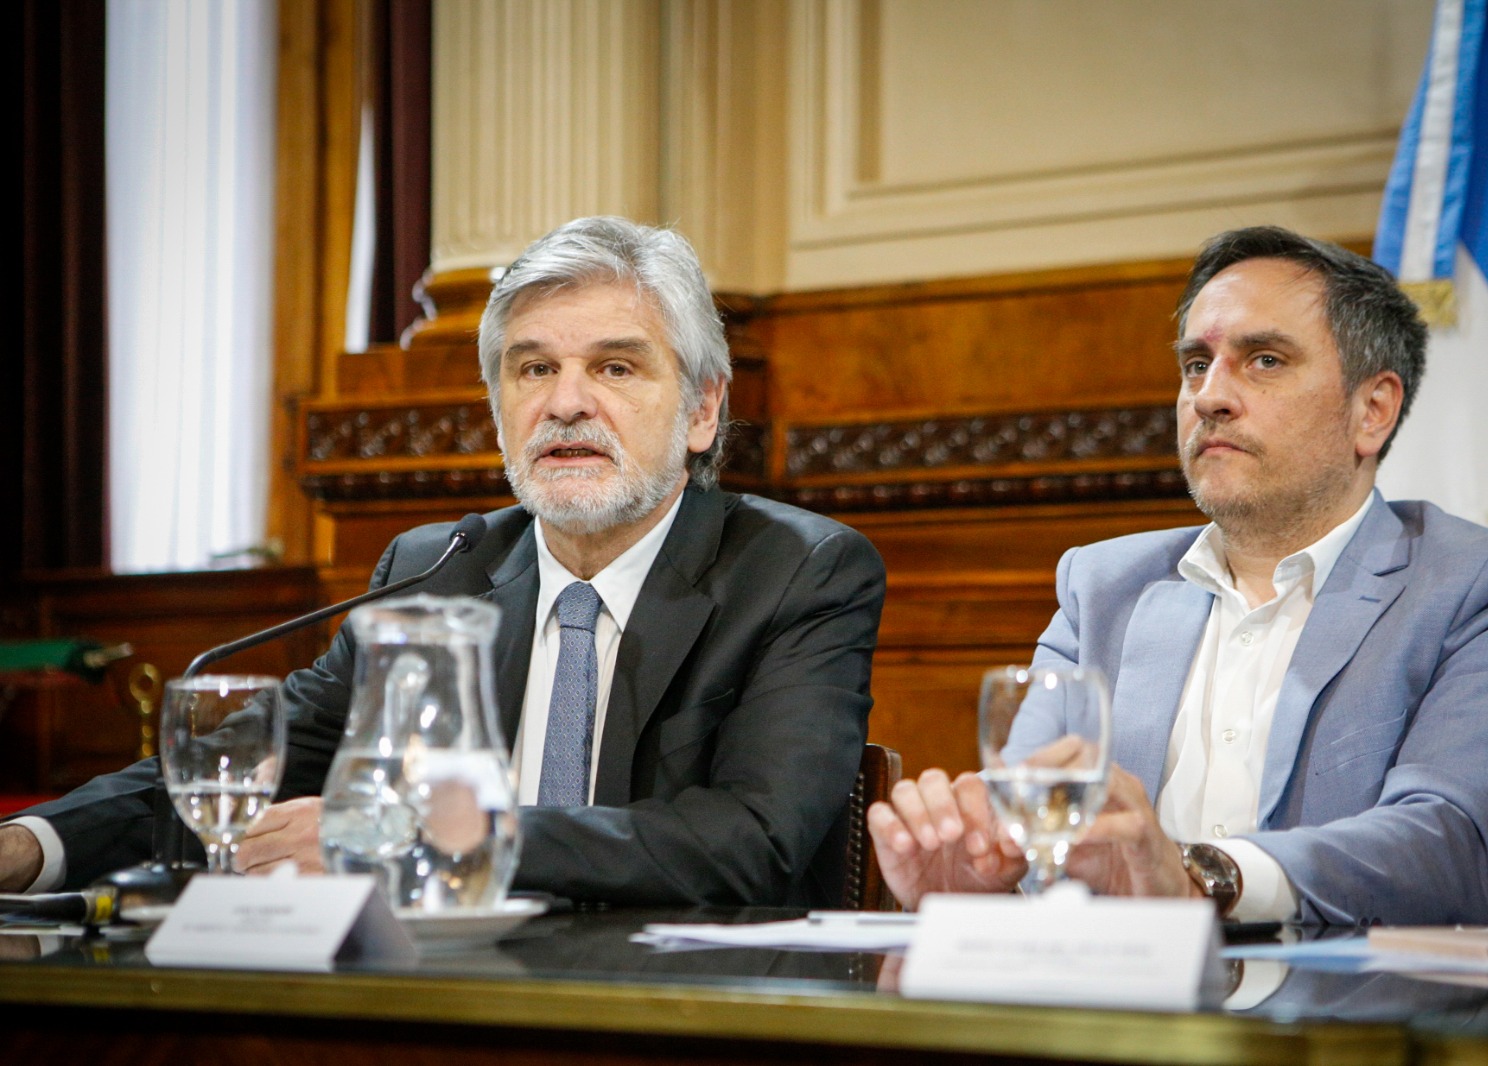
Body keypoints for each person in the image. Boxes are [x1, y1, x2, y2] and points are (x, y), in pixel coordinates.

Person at [0, 217, 887, 907]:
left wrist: (423, 836)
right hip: (449, 997)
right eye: (532, 369)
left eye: (615, 368)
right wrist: (37, 844)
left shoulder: (798, 572)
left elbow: (748, 837)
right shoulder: (440, 568)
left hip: (690, 1012)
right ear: (498, 405)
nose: (566, 403)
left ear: (701, 411)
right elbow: (245, 769)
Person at [869, 226, 1488, 927]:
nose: (1209, 395)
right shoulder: (1103, 588)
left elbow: (1462, 845)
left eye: (1265, 360)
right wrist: (981, 887)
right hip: (1123, 1022)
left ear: (1372, 410)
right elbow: (1034, 841)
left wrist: (1202, 878)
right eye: (1195, 364)